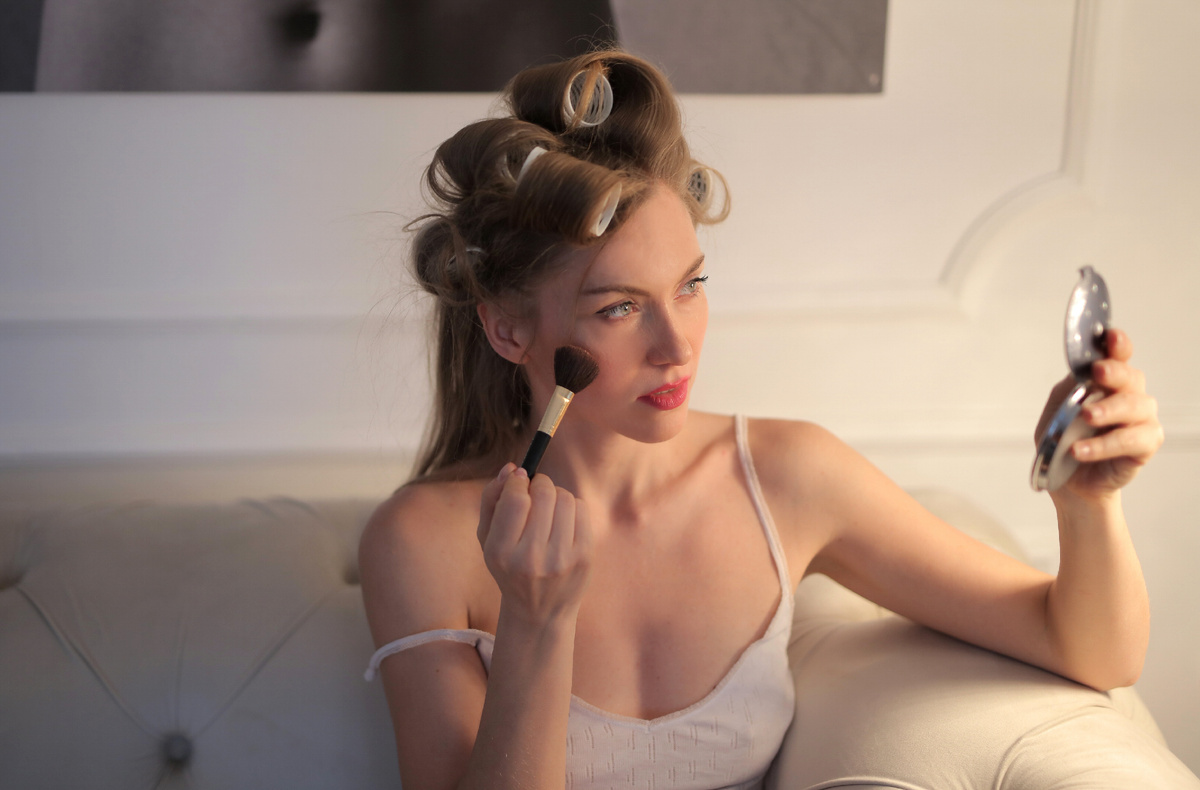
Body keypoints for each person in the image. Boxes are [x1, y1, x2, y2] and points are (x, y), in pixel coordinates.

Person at [358, 48, 1163, 790]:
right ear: (508, 330)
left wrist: (1086, 502)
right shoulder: (424, 543)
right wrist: (535, 625)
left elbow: (1087, 647)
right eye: (619, 308)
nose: (677, 345)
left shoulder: (785, 476)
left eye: (691, 287)